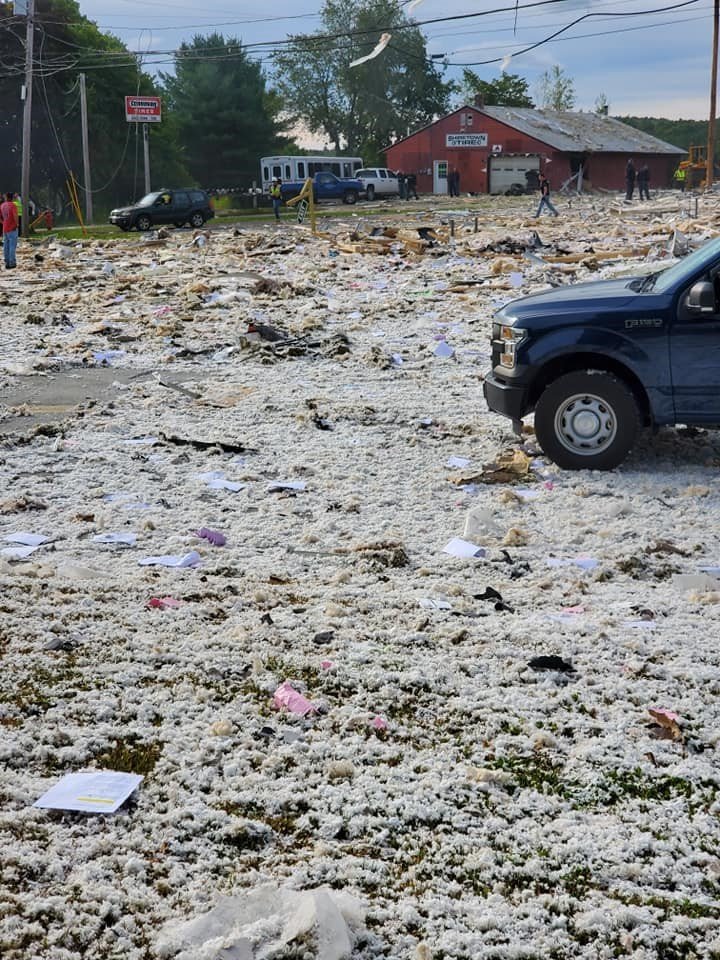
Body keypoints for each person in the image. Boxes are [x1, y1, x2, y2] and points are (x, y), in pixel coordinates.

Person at [1, 191, 19, 268]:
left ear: (6, 197)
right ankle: (12, 262)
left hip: (5, 228)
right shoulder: (13, 205)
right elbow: (15, 215)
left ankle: (7, 262)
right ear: (12, 197)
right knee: (12, 246)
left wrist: (3, 222)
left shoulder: (2, 205)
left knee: (6, 245)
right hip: (12, 228)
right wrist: (17, 224)